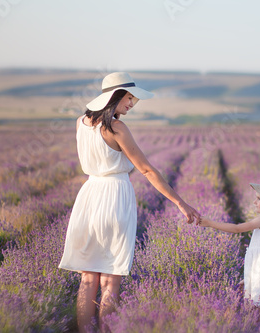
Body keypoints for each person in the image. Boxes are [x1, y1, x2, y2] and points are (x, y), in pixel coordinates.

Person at [58, 72, 200, 332]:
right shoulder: (116, 127)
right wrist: (180, 203)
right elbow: (146, 170)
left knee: (87, 279)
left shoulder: (81, 122)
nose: (132, 104)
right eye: (129, 97)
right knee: (110, 281)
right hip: (115, 197)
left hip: (88, 197)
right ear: (114, 96)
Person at [200, 180, 260, 327]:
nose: (254, 202)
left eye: (259, 199)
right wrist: (248, 279)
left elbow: (237, 228)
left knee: (257, 305)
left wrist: (210, 223)